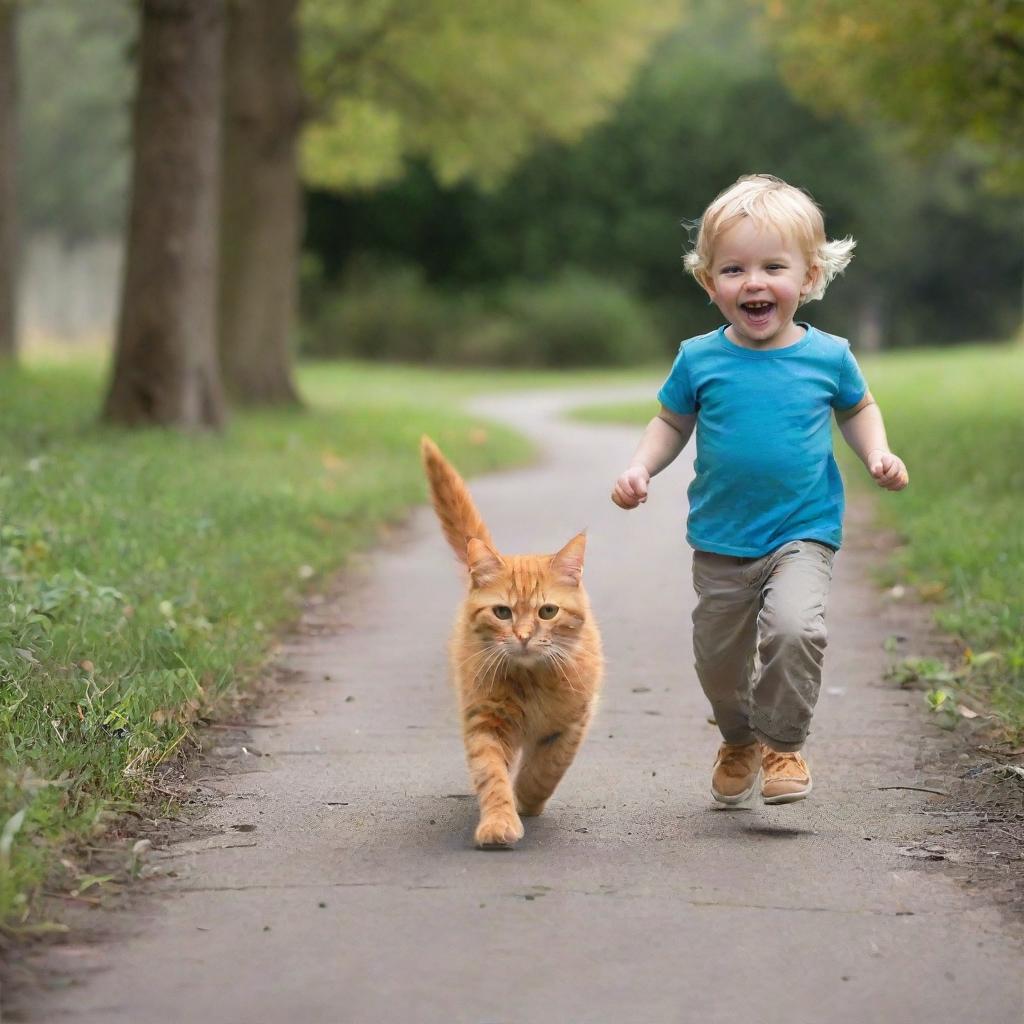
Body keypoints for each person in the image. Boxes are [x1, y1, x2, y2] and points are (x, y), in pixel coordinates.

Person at [611, 173, 908, 806]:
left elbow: (858, 410)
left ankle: (783, 745)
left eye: (773, 266)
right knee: (718, 662)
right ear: (709, 282)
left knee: (795, 629)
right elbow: (671, 422)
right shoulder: (699, 359)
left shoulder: (829, 356)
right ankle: (739, 738)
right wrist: (641, 468)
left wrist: (878, 452)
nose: (753, 282)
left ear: (808, 278)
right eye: (733, 269)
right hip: (721, 539)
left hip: (802, 530)